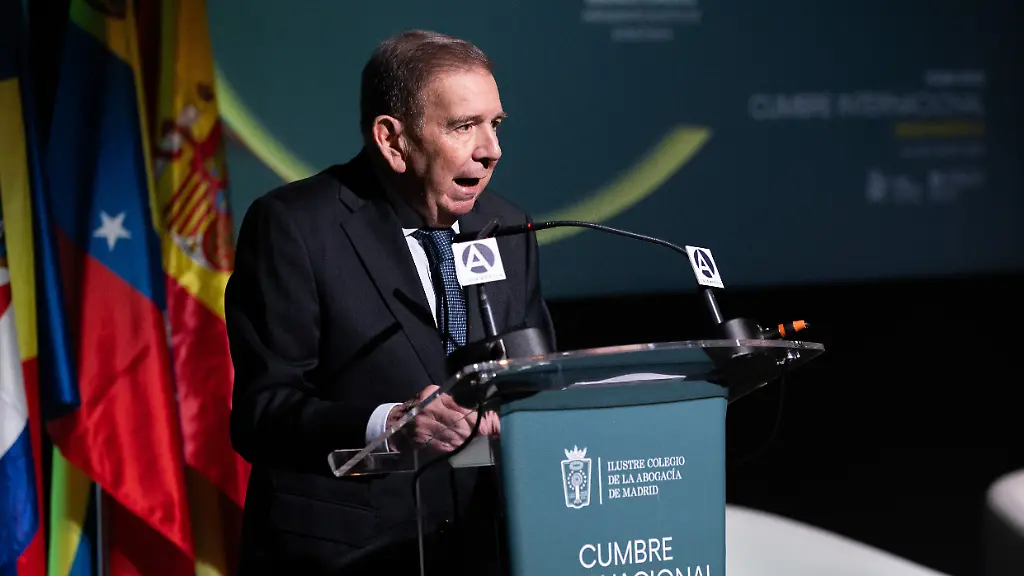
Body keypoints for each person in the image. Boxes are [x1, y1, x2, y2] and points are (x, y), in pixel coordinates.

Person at [225, 29, 556, 574]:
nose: (491, 149)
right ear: (392, 140)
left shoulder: (506, 225)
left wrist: (518, 408)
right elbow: (261, 413)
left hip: (484, 545)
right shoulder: (296, 227)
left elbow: (535, 374)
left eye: (494, 124)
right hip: (347, 553)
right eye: (464, 126)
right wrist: (390, 425)